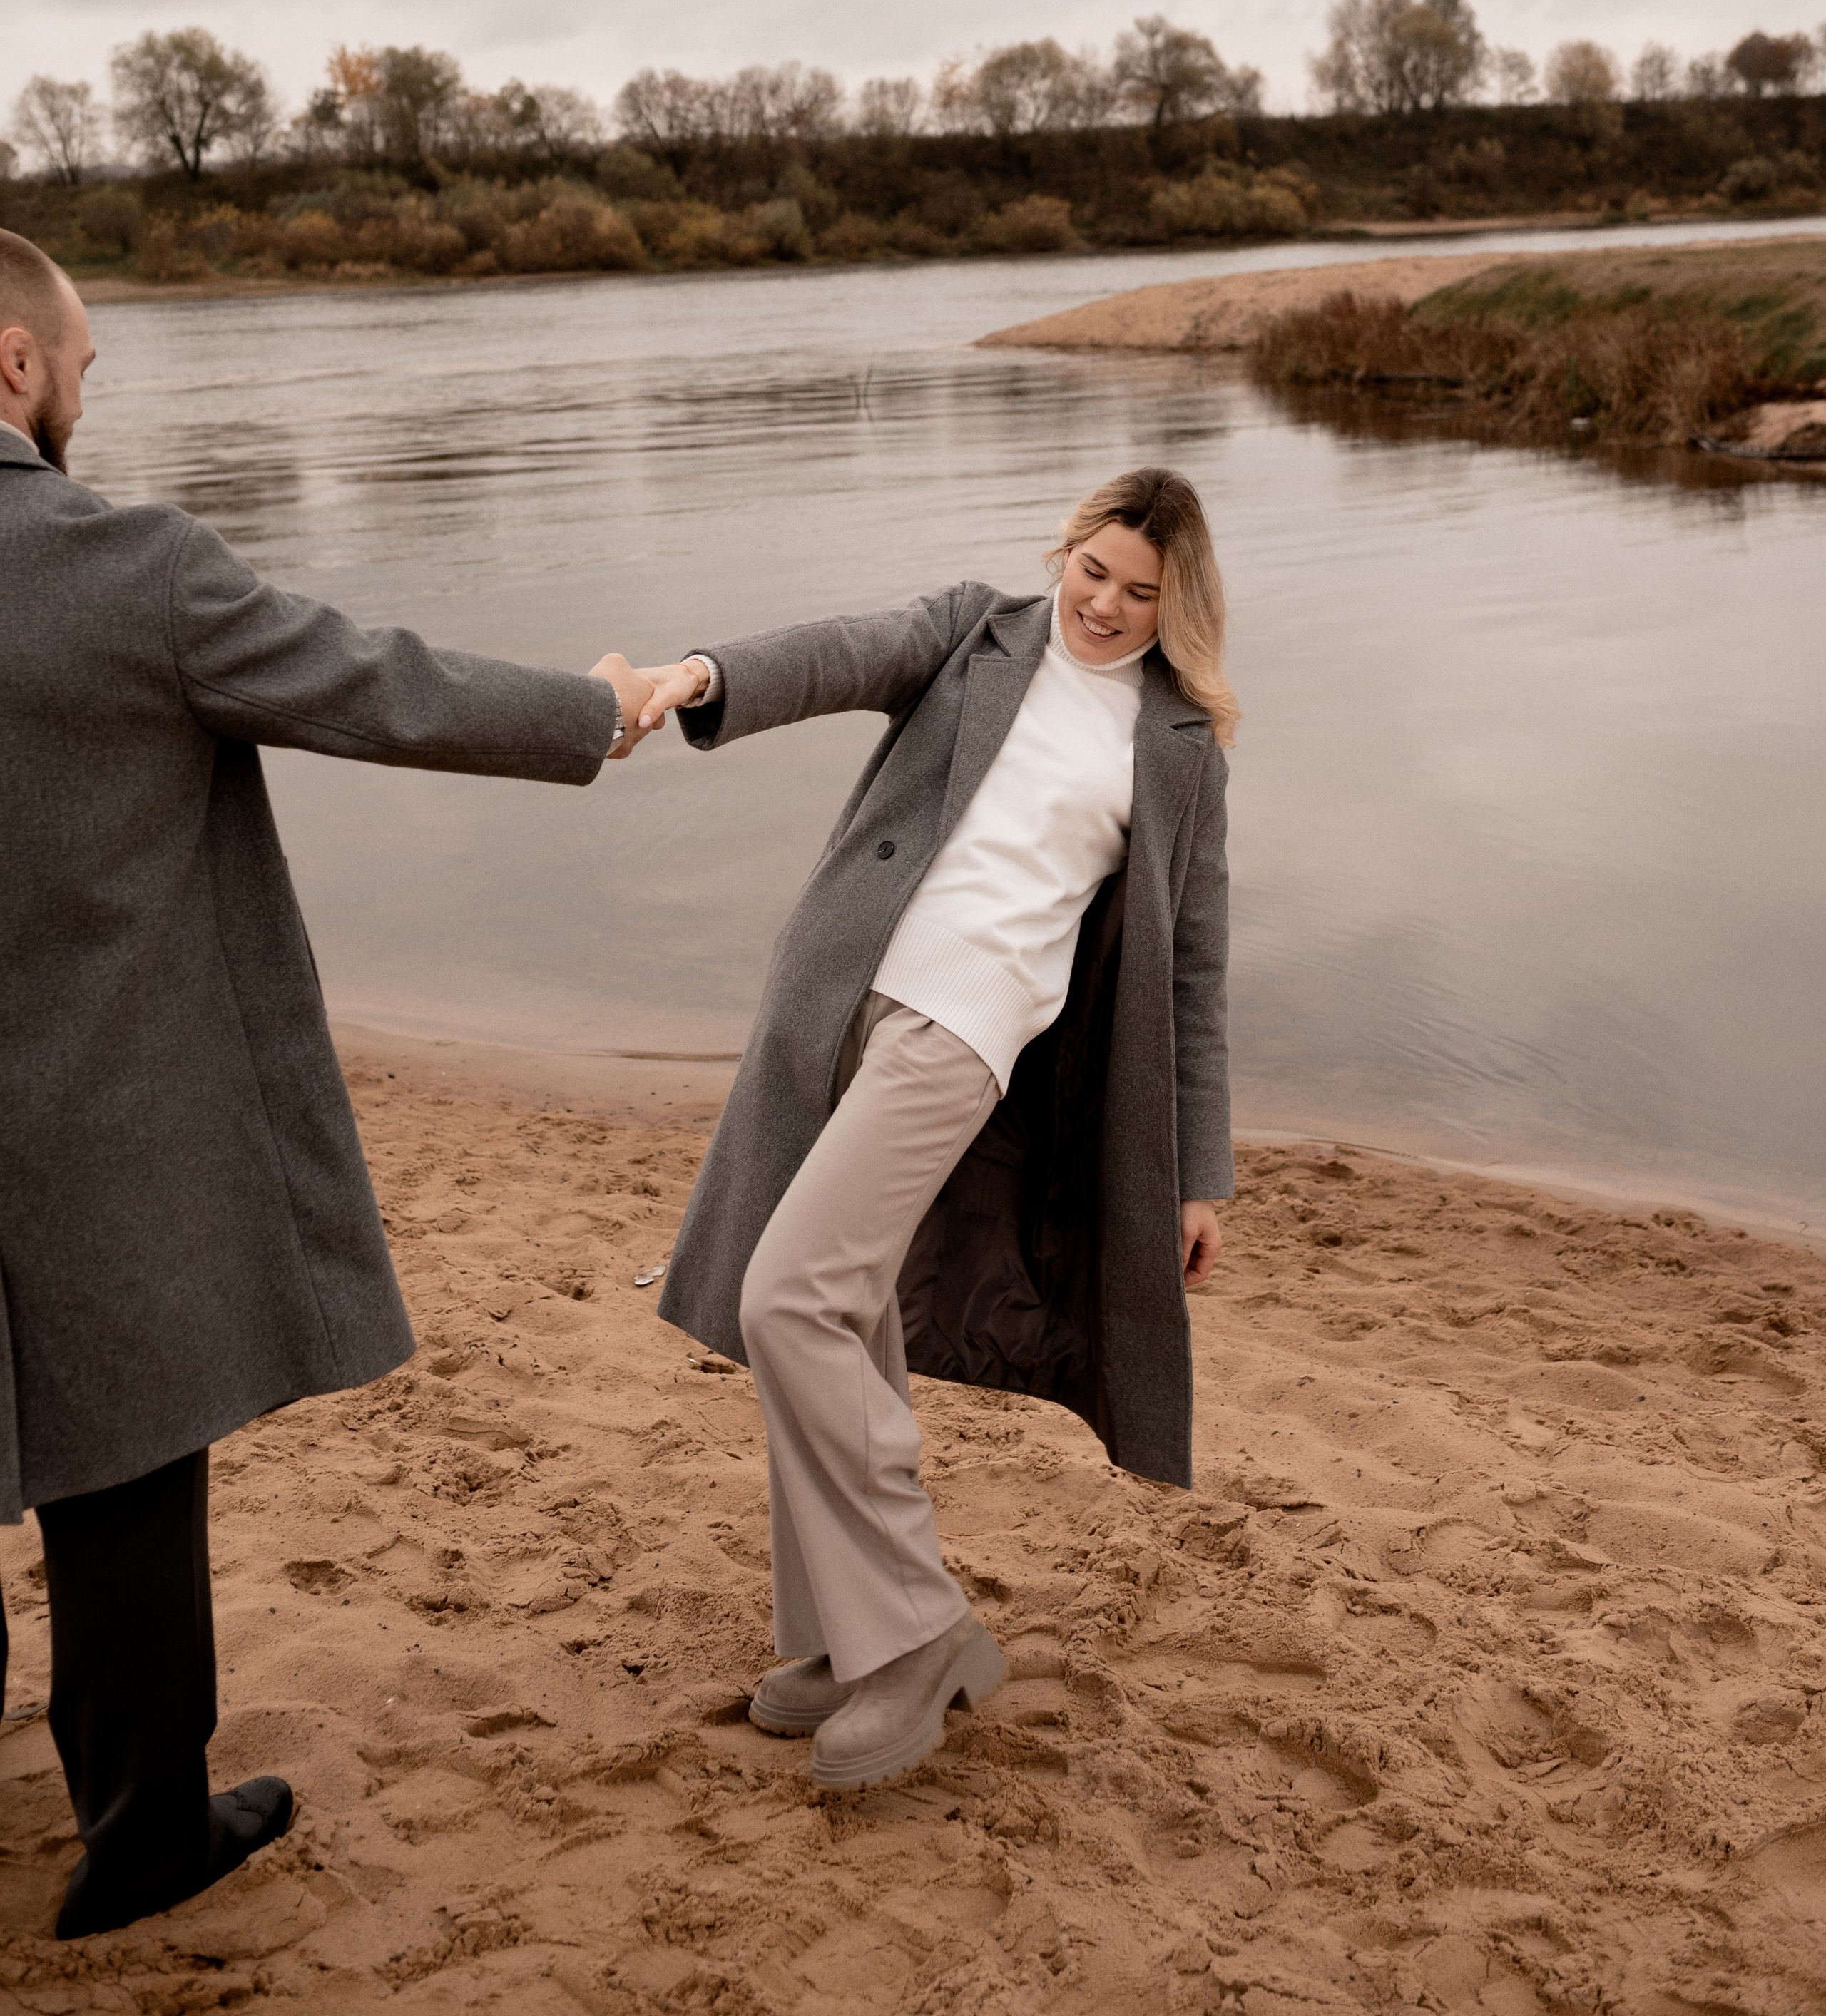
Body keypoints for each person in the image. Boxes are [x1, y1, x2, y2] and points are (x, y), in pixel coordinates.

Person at [0, 229, 655, 1939]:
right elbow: (377, 684)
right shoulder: (115, 563)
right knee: (124, 1470)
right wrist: (586, 710)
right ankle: (141, 1837)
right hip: (87, 1125)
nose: (86, 389)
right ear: (16, 367)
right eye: (84, 360)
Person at [637, 467, 1235, 1792]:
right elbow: (843, 652)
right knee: (840, 1313)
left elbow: (1192, 964)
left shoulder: (1180, 743)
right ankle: (843, 1639)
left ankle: (913, 1629)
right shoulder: (978, 632)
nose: (1105, 606)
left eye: (1143, 594)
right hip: (840, 998)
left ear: (1178, 606)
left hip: (969, 1025)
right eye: (1094, 571)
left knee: (787, 1297)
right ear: (1066, 549)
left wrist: (1200, 1172)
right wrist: (700, 674)